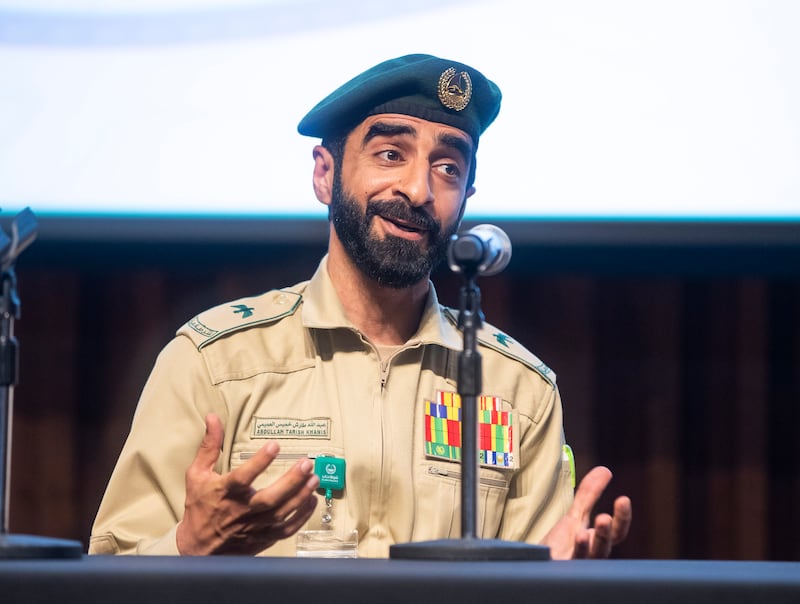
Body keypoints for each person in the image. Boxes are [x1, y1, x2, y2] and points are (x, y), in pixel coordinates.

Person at [89, 53, 631, 559]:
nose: (419, 189)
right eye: (390, 154)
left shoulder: (518, 390)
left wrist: (557, 585)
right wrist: (189, 546)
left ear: (467, 196)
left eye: (447, 168)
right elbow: (105, 575)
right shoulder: (215, 363)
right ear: (325, 174)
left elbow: (530, 584)